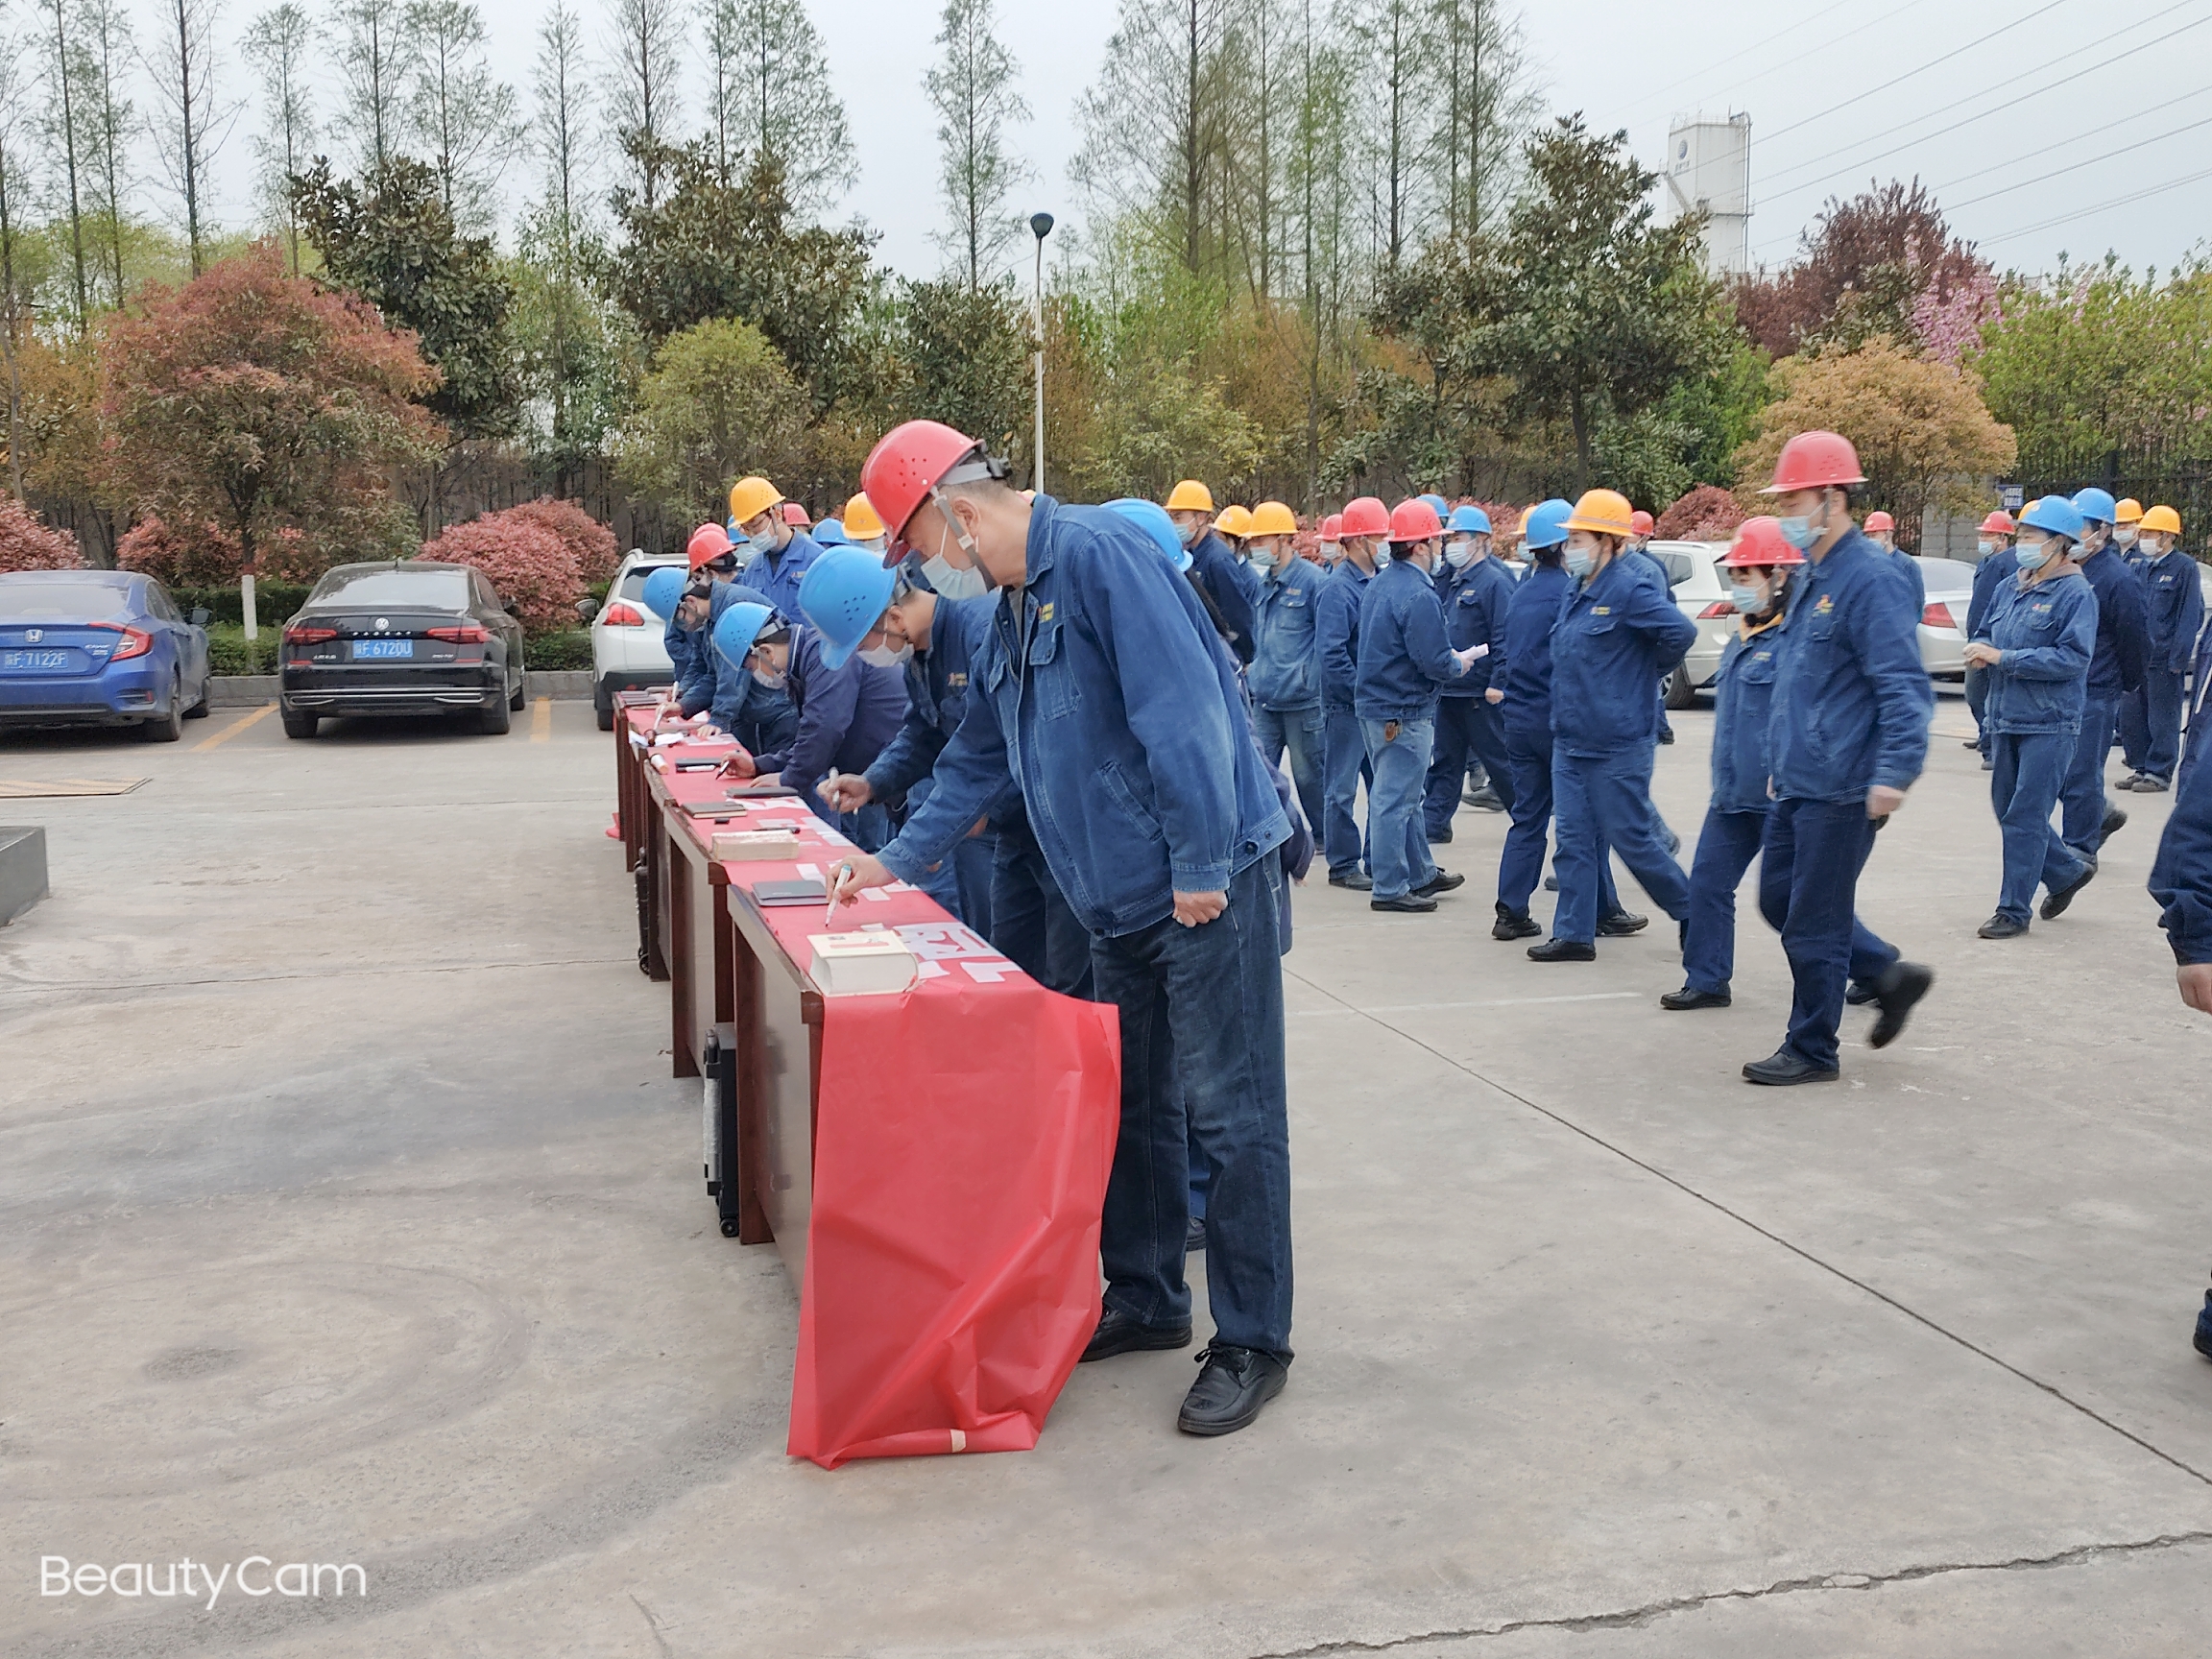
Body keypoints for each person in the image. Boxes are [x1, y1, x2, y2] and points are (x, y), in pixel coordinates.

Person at [835, 421, 1295, 1438]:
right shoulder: (1010, 606)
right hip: (1115, 902)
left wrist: (1200, 864)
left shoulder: (1098, 556)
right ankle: (1147, 1295)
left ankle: (1255, 1339)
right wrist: (893, 859)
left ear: (958, 513)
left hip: (1201, 886)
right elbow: (977, 756)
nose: (924, 568)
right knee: (1132, 1105)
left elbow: (1185, 712)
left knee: (1232, 1113)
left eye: (918, 545)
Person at [1749, 431, 1934, 1086]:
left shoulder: (1871, 579)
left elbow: (1903, 686)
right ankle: (1886, 973)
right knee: (1778, 900)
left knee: (1814, 925)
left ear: (1832, 497)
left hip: (1844, 783)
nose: (1785, 514)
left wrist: (1895, 772)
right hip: (1799, 778)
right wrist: (1780, 759)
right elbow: (1801, 682)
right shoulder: (1811, 576)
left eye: (1793, 500)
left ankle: (1811, 1049)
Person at [1665, 518, 1896, 1010]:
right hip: (1732, 793)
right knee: (1707, 883)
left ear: (1780, 576)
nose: (1738, 586)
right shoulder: (1740, 637)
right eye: (1734, 576)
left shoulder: (1797, 641)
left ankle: (1879, 967)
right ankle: (1707, 978)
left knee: (1800, 904)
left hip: (1785, 794)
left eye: (1746, 575)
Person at [1530, 490, 1695, 962]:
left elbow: (1680, 633)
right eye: (1569, 541)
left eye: (1578, 540)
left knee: (1634, 840)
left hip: (1617, 742)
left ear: (1608, 542)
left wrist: (1642, 673)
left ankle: (1693, 911)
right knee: (1573, 842)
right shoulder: (1576, 587)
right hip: (1571, 737)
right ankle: (1574, 933)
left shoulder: (1630, 588)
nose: (1570, 549)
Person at [815, 565, 1001, 933]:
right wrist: (872, 783)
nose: (865, 657)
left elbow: (992, 754)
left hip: (1014, 820)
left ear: (896, 619)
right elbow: (923, 734)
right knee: (991, 940)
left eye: (862, 646)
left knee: (1026, 953)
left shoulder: (978, 632)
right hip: (976, 817)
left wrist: (896, 858)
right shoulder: (919, 650)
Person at [1962, 495, 2100, 939]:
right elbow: (1986, 630)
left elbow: (2072, 658)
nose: (2022, 542)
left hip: (2050, 722)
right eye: (2020, 534)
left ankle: (2013, 910)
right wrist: (1982, 649)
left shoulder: (2076, 593)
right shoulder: (2011, 585)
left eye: (2031, 536)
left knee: (2024, 816)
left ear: (2059, 542)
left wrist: (2003, 658)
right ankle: (2064, 871)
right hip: (2006, 716)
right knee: (2007, 808)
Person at [1494, 501, 1625, 939]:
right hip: (1557, 723)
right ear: (1561, 546)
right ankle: (1598, 911)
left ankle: (1510, 911)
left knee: (1528, 818)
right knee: (1585, 823)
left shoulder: (1521, 592)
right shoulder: (1571, 596)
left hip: (1518, 719)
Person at [724, 550, 909, 848]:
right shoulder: (806, 660)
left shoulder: (822, 658)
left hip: (889, 767)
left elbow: (825, 727)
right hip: (874, 770)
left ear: (766, 652)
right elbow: (809, 737)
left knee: (876, 851)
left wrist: (789, 779)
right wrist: (761, 765)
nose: (756, 675)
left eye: (751, 667)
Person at [1355, 498, 1484, 912]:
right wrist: (1459, 664)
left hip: (1379, 706)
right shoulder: (1417, 594)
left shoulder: (1380, 583)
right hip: (1403, 709)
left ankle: (1420, 872)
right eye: (1437, 541)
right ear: (1420, 546)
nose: (1441, 549)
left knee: (1405, 798)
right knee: (1395, 801)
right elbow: (1433, 660)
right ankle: (1390, 886)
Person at [2059, 487, 2149, 863]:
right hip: (2063, 686)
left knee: (2081, 774)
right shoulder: (2066, 569)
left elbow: (2136, 638)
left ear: (2103, 531)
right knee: (2058, 771)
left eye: (2082, 527)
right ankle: (2101, 814)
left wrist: (2121, 683)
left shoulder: (2117, 579)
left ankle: (2080, 849)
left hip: (2096, 689)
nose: (2073, 534)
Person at [1423, 505, 1516, 839]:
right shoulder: (1451, 580)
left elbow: (1505, 637)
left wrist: (1499, 682)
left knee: (1500, 760)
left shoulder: (1495, 582)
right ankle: (1434, 824)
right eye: (1449, 539)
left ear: (1480, 540)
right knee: (1445, 761)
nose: (1452, 545)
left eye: (1458, 538)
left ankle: (1527, 817)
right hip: (1450, 689)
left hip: (1480, 693)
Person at [1317, 496, 1390, 889]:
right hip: (1348, 708)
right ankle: (1344, 864)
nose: (1387, 543)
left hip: (1372, 704)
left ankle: (1380, 860)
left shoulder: (1378, 581)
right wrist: (1361, 690)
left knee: (1383, 788)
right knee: (1341, 790)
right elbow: (1331, 653)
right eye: (1381, 536)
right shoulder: (1338, 589)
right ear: (1360, 540)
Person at [1245, 500, 1328, 834]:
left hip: (1302, 701)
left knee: (1309, 776)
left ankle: (1325, 836)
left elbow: (1327, 640)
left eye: (1261, 539)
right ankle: (1272, 836)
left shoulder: (1313, 581)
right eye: (1253, 540)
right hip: (1265, 698)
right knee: (1257, 772)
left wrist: (1309, 679)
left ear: (1283, 540)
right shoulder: (1263, 583)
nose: (1255, 546)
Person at [2117, 505, 2201, 794]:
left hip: (2164, 658)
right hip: (2138, 656)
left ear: (2168, 536)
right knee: (2132, 717)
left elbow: (2190, 614)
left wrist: (2179, 657)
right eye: (2143, 534)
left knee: (2162, 718)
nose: (2144, 539)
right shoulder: (2140, 566)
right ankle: (2140, 766)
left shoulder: (2184, 568)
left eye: (2150, 534)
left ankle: (2159, 772)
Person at [1163, 479, 1262, 666]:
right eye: (1172, 518)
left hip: (1223, 655)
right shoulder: (1189, 553)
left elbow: (1238, 614)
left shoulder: (1218, 559)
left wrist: (1244, 658)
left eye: (1178, 517)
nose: (1174, 524)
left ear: (1200, 518)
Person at [727, 475, 824, 618]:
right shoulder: (753, 571)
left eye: (755, 525)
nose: (752, 534)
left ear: (776, 514)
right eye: (746, 529)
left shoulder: (816, 560)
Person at [1962, 509, 2015, 769]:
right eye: (1982, 534)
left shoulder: (2005, 564)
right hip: (1980, 637)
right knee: (1978, 695)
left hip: (1993, 640)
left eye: (1988, 535)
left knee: (1985, 694)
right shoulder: (1987, 563)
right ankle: (1986, 735)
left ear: (2003, 538)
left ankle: (1992, 746)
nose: (1982, 539)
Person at [1861, 509, 1926, 614]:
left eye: (1874, 535)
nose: (1870, 540)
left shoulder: (1906, 564)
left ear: (1888, 534)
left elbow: (1918, 601)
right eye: (1868, 536)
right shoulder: (1868, 564)